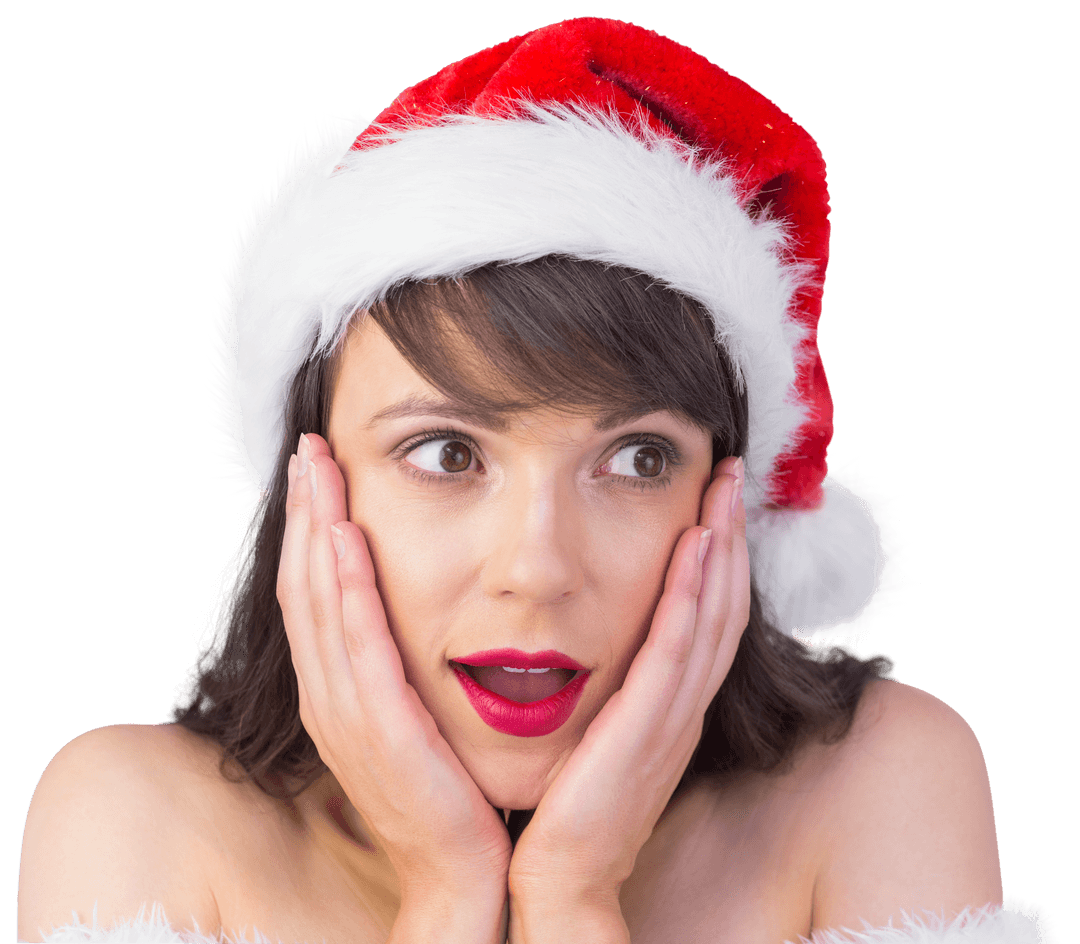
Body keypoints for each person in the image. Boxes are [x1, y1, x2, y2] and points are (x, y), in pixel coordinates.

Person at [15, 16, 1058, 944]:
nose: (536, 568)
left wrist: (571, 898)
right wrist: (446, 894)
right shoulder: (140, 821)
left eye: (638, 459)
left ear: (728, 498)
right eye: (446, 453)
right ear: (310, 487)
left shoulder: (876, 782)